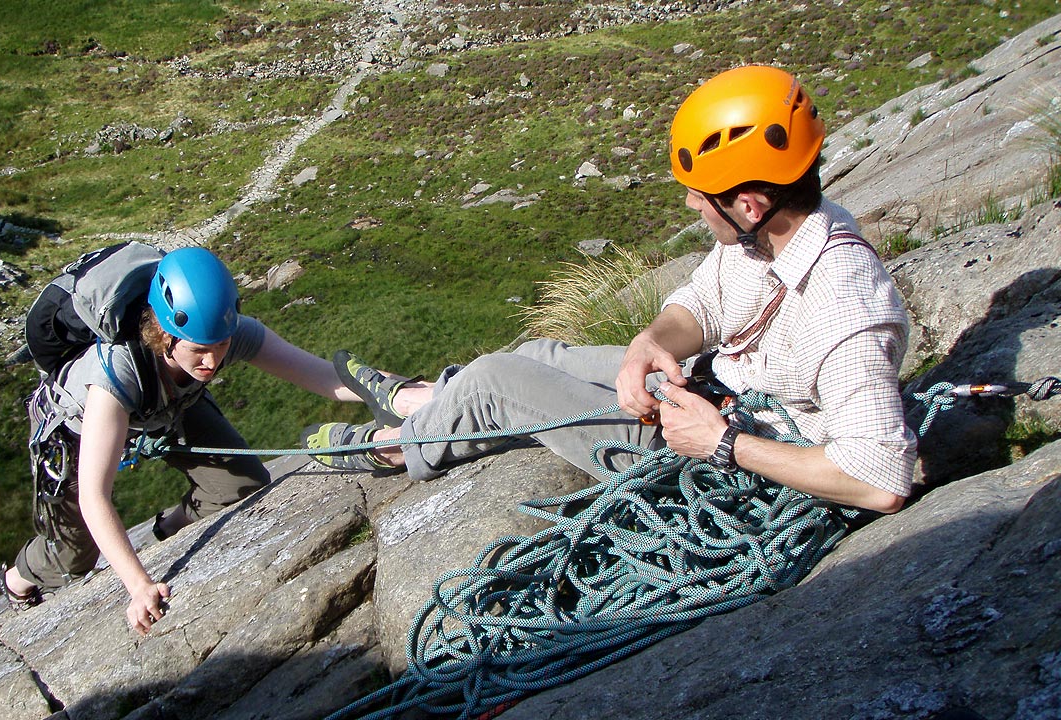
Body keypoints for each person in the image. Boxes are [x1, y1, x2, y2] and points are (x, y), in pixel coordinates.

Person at [304, 65, 916, 514]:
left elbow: (880, 477)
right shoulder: (782, 229)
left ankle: (393, 446)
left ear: (750, 204)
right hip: (712, 394)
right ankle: (428, 399)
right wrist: (650, 343)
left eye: (700, 196)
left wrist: (723, 443)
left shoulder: (843, 307)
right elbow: (703, 301)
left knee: (496, 382)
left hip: (728, 453)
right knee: (535, 354)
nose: (689, 203)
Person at [0, 246, 375, 635]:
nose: (212, 363)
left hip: (165, 402)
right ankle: (17, 582)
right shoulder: (115, 375)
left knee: (240, 484)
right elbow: (95, 496)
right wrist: (139, 587)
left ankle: (165, 529)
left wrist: (403, 393)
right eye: (199, 350)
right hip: (76, 426)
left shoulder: (215, 332)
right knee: (75, 555)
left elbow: (325, 377)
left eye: (221, 346)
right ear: (164, 334)